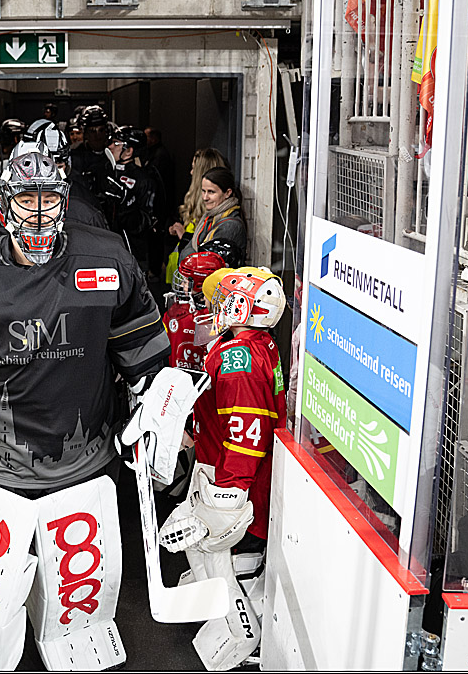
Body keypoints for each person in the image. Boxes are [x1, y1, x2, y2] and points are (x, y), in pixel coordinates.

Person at [0, 151, 170, 670]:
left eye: (50, 198)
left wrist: (154, 405)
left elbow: (142, 348)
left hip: (82, 460)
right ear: (1, 203)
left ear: (66, 202)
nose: (40, 212)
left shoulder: (108, 258)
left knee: (76, 609)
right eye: (27, 197)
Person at [159, 266, 287, 671]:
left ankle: (243, 638)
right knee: (216, 551)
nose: (216, 308)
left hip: (232, 474)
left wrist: (230, 492)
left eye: (225, 300)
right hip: (226, 465)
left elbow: (246, 432)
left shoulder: (239, 358)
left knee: (227, 553)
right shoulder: (255, 343)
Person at [163, 251, 227, 371]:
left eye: (186, 282)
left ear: (201, 284)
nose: (182, 285)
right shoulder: (177, 311)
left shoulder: (216, 320)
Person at [108, 125, 158, 272]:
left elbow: (146, 221)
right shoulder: (105, 172)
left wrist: (126, 205)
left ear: (129, 151)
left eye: (116, 143)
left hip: (133, 251)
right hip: (107, 244)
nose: (110, 146)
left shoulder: (144, 180)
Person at [180, 166, 247, 264]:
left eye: (211, 192)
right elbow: (184, 255)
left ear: (227, 193)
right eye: (203, 191)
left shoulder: (230, 226)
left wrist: (190, 257)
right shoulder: (210, 217)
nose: (205, 197)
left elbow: (205, 264)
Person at [171, 148, 229, 244]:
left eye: (194, 168)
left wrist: (184, 236)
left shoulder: (215, 210)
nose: (191, 172)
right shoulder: (195, 202)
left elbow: (203, 251)